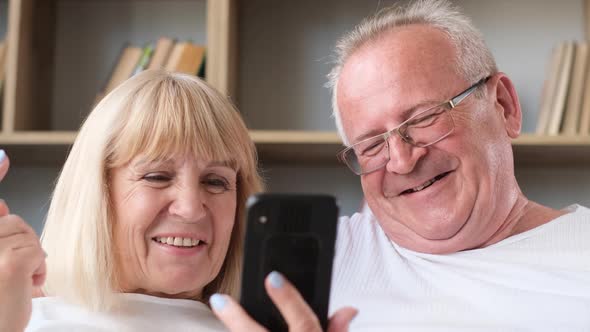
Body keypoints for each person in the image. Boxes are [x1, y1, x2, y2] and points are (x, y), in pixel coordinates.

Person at [212, 0, 590, 330]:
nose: (403, 161)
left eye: (425, 118)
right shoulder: (314, 262)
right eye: (372, 143)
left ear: (504, 106)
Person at [0, 69, 264, 331]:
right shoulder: (19, 321)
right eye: (157, 176)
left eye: (215, 181)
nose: (191, 208)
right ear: (97, 194)